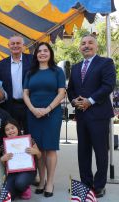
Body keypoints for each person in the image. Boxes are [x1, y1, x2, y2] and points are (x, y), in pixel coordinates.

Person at [67, 34, 116, 198]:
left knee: (101, 151)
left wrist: (90, 100)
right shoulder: (75, 67)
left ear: (96, 46)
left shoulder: (106, 63)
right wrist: (74, 101)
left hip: (99, 115)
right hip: (81, 116)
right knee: (83, 152)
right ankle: (86, 184)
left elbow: (108, 85)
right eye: (83, 43)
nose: (86, 46)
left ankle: (99, 185)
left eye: (90, 43)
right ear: (80, 48)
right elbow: (71, 89)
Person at [23, 42, 65, 198]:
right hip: (33, 114)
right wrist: (33, 109)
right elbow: (25, 94)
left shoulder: (57, 71)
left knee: (50, 148)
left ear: (50, 53)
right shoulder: (30, 72)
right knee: (38, 148)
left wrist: (47, 109)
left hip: (52, 114)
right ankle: (41, 180)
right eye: (39, 51)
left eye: (45, 50)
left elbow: (61, 93)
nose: (42, 53)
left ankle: (50, 183)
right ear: (36, 55)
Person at [0, 35, 32, 133]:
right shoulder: (2, 64)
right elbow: (0, 87)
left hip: (29, 105)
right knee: (12, 136)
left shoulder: (32, 60)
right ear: (8, 46)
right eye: (13, 43)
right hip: (10, 106)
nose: (15, 46)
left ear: (23, 46)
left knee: (30, 134)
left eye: (18, 43)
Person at [0, 119, 41, 200]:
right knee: (5, 197)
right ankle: (17, 190)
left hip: (28, 171)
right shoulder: (5, 144)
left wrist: (35, 152)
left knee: (20, 183)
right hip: (13, 172)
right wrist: (3, 159)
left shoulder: (28, 140)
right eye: (7, 129)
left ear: (17, 128)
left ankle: (24, 187)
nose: (10, 131)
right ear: (4, 132)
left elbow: (39, 155)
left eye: (12, 128)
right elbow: (5, 165)